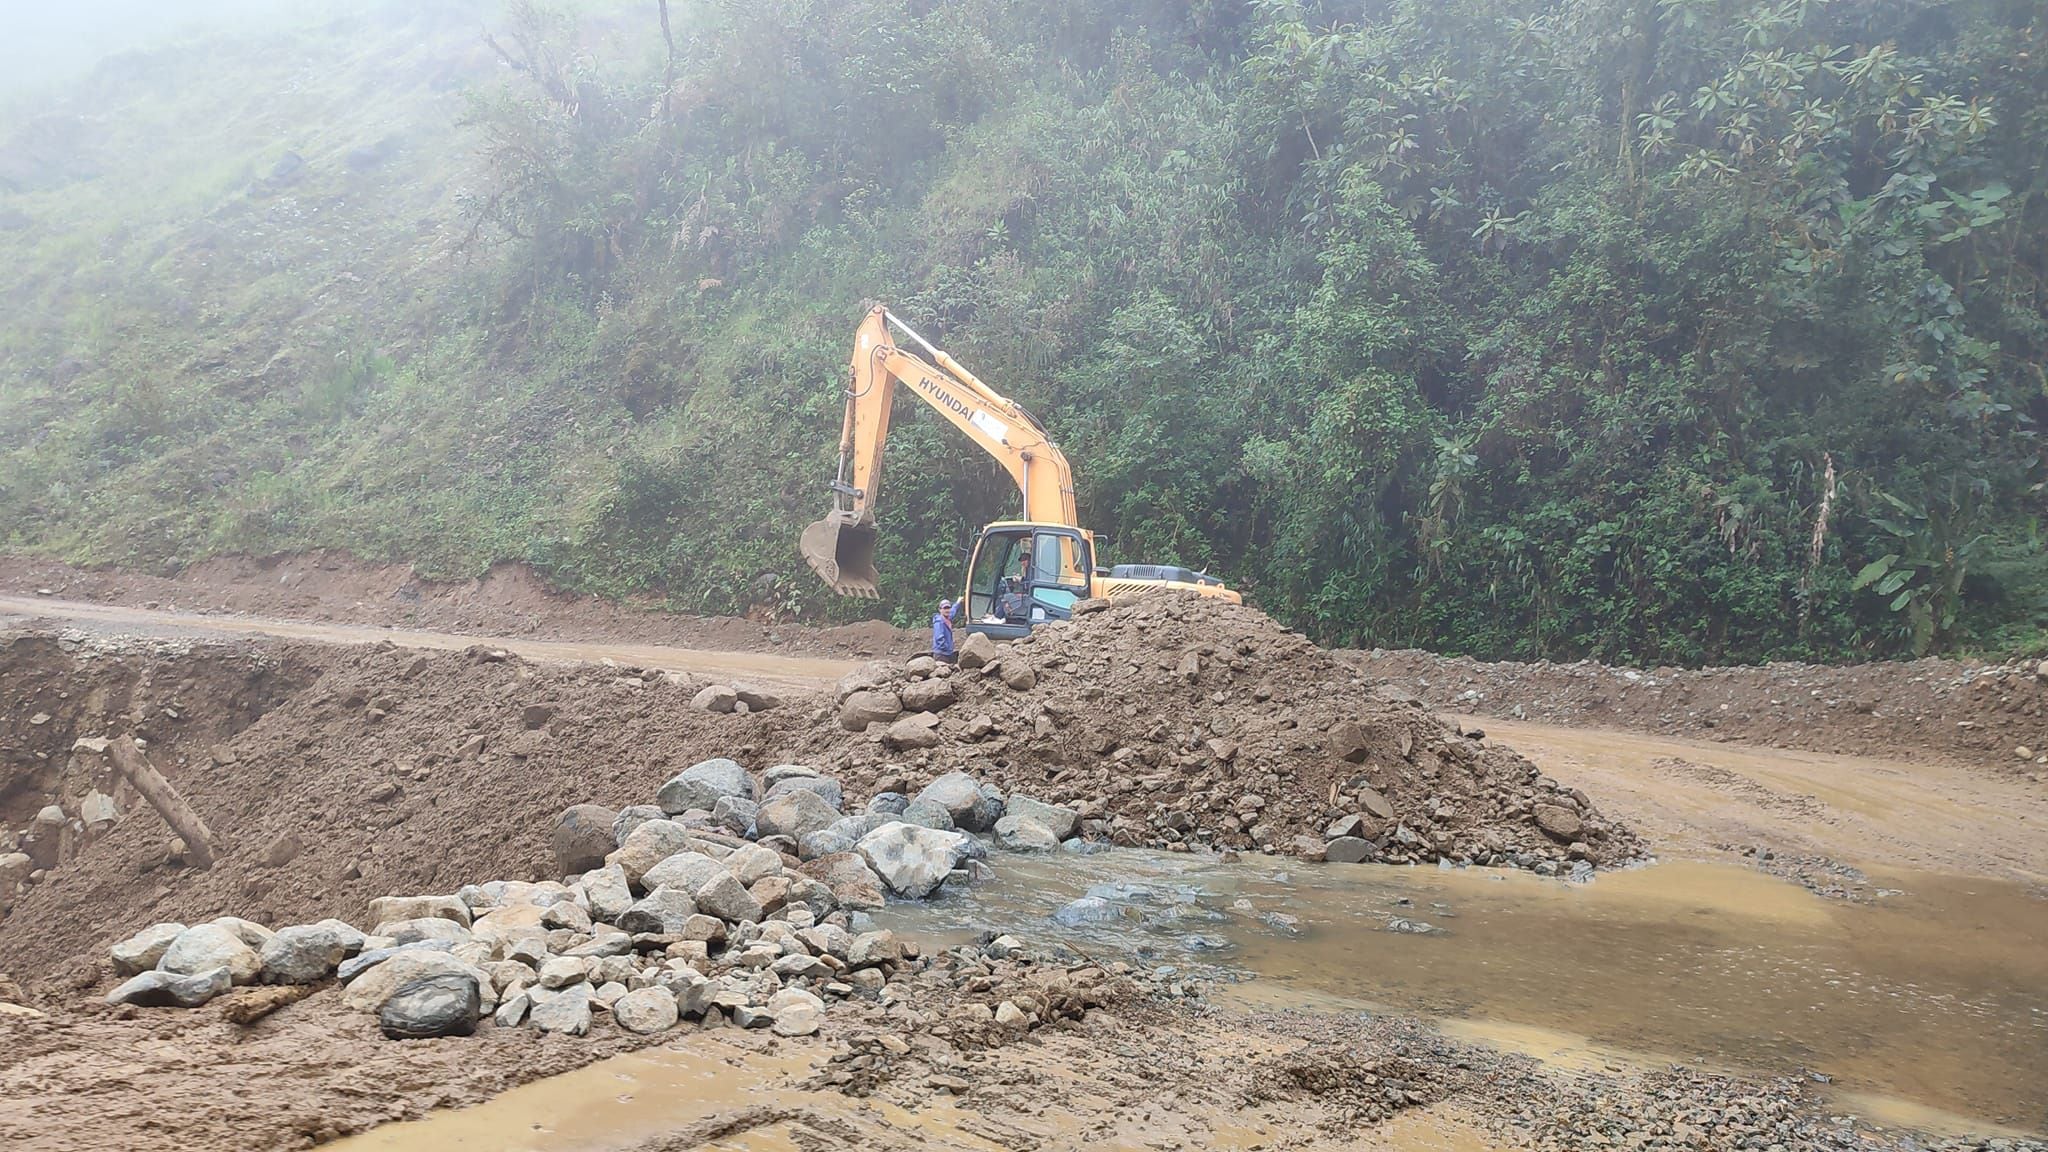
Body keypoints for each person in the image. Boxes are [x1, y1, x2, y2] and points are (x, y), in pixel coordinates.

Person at [931, 597, 957, 662]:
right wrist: (947, 648)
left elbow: (953, 612)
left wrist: (958, 603)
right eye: (945, 608)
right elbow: (939, 638)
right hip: (941, 654)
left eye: (948, 608)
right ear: (940, 610)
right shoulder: (939, 622)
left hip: (947, 653)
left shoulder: (948, 618)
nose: (947, 610)